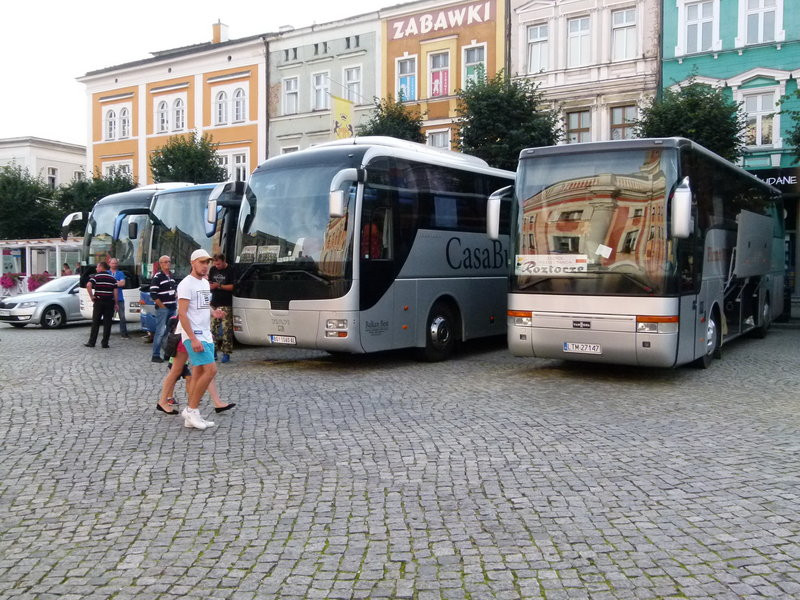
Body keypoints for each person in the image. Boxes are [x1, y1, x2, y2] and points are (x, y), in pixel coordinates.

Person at [177, 249, 225, 430]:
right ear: (193, 263)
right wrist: (192, 338)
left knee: (197, 374)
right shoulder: (185, 284)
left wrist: (214, 313)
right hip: (194, 335)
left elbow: (204, 306)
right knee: (211, 370)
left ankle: (192, 413)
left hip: (206, 334)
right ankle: (191, 409)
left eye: (207, 263)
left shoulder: (205, 283)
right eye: (202, 262)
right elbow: (182, 313)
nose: (205, 266)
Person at [149, 255, 177, 363]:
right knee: (160, 331)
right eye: (165, 262)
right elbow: (153, 294)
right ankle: (155, 355)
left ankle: (167, 353)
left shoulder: (171, 276)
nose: (167, 264)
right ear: (160, 264)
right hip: (163, 309)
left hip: (172, 307)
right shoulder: (157, 277)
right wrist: (162, 306)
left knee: (169, 332)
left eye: (169, 261)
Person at [84, 261, 117, 349]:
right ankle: (105, 343)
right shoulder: (112, 278)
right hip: (109, 302)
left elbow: (88, 285)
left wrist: (91, 296)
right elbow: (115, 291)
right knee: (107, 323)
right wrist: (116, 303)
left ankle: (92, 342)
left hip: (98, 301)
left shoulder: (96, 276)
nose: (96, 268)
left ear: (101, 267)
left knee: (96, 322)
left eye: (97, 267)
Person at [209, 253, 235, 363]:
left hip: (226, 303)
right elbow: (209, 282)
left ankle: (226, 352)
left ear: (224, 261)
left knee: (226, 330)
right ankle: (212, 351)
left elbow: (233, 286)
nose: (217, 266)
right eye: (215, 264)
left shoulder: (231, 270)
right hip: (214, 302)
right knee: (212, 329)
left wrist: (219, 286)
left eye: (219, 264)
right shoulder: (212, 270)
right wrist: (210, 286)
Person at [108, 258, 129, 339]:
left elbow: (123, 283)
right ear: (109, 264)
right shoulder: (107, 273)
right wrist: (117, 282)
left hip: (120, 298)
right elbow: (117, 283)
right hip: (109, 298)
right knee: (108, 317)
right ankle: (107, 333)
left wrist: (112, 283)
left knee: (122, 317)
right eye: (113, 263)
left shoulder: (120, 273)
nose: (114, 265)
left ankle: (124, 334)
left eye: (116, 263)